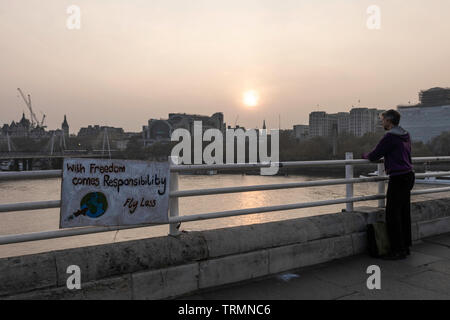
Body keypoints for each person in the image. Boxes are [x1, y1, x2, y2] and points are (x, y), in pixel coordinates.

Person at [362, 109, 415, 260]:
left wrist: (364, 156)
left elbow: (374, 155)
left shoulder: (390, 137)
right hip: (409, 175)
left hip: (398, 178)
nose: (382, 122)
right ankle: (405, 247)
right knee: (404, 212)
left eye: (383, 120)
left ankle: (397, 250)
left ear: (389, 121)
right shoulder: (406, 135)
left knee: (392, 214)